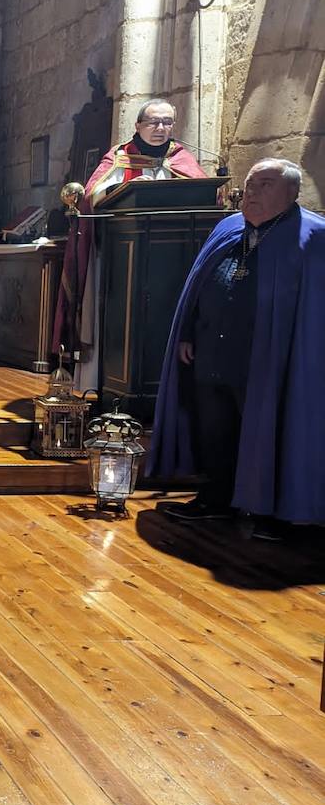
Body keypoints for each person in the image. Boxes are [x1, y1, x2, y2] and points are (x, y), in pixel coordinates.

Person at [147, 158, 325, 541]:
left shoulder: (313, 237)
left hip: (271, 360)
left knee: (269, 431)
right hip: (213, 352)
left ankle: (275, 513)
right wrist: (188, 333)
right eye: (250, 184)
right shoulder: (229, 228)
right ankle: (217, 499)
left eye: (265, 185)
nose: (253, 193)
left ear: (292, 193)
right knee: (216, 429)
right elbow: (199, 287)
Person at [54, 99, 207, 364]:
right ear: (138, 125)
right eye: (153, 122)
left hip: (172, 255)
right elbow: (92, 195)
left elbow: (204, 192)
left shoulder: (181, 158)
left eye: (167, 122)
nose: (160, 128)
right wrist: (127, 188)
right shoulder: (119, 157)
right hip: (122, 254)